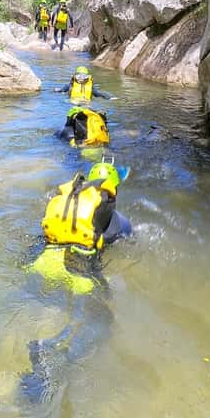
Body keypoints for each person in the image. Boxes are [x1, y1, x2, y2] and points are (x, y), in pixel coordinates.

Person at [20, 162, 132, 403]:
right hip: (78, 273)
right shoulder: (115, 217)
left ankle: (44, 345)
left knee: (53, 302)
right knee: (102, 320)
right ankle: (53, 349)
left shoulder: (66, 205)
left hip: (40, 264)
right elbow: (124, 238)